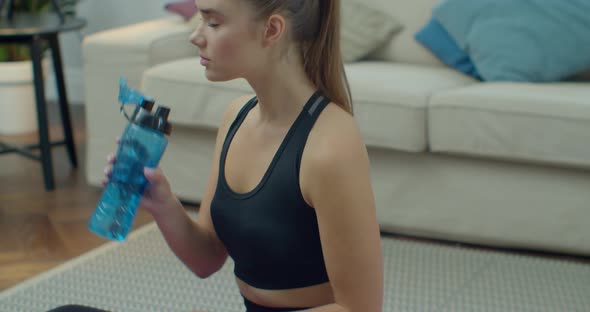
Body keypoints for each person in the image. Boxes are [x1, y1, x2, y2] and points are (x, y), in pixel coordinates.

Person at [49, 0, 383, 311]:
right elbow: (206, 259)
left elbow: (360, 308)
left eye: (212, 22)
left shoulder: (330, 147)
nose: (196, 36)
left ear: (272, 30)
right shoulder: (237, 118)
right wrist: (162, 202)